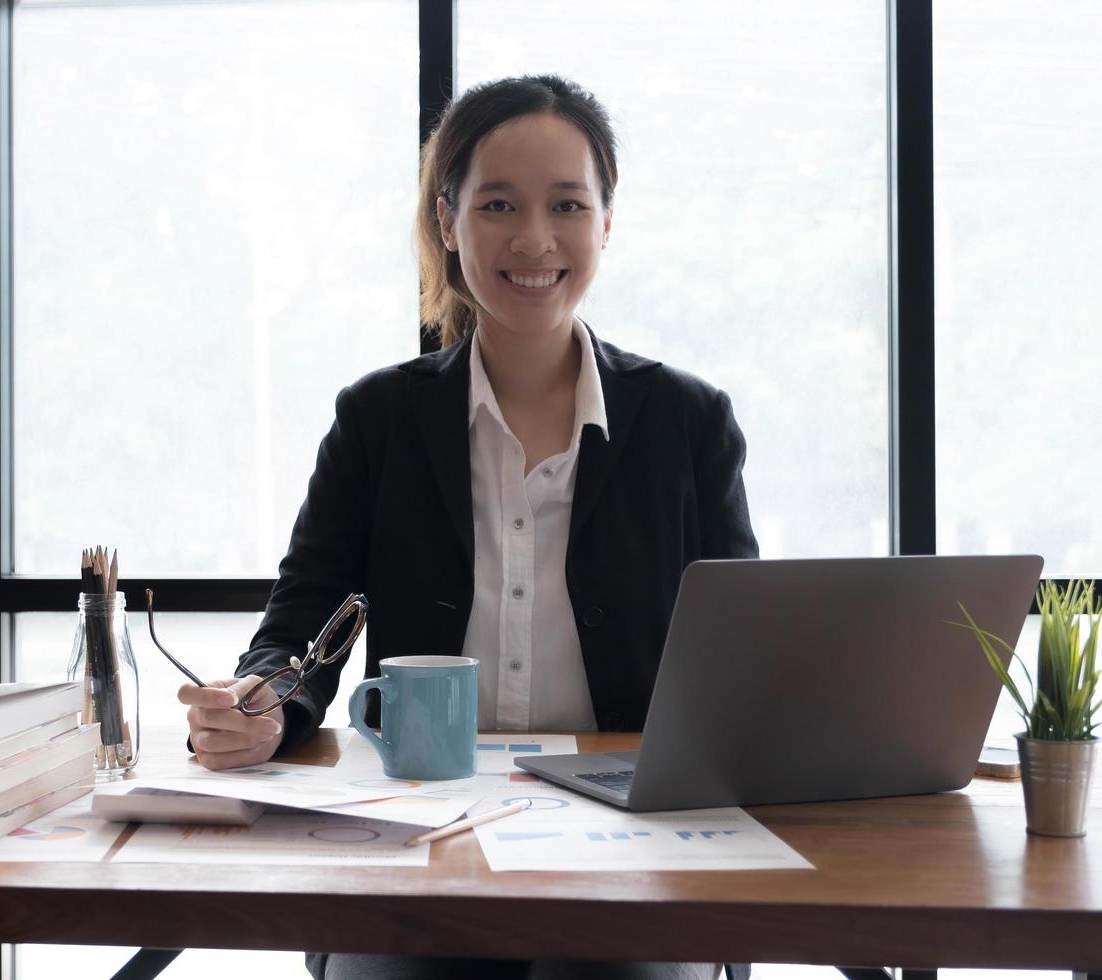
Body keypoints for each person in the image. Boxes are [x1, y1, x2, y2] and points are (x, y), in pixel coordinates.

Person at [178, 74, 757, 980]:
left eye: (567, 204)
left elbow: (741, 659)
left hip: (632, 840)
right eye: (497, 205)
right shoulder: (378, 418)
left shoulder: (688, 422)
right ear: (446, 222)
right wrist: (264, 708)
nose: (534, 239)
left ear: (607, 221)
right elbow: (297, 631)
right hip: (420, 832)